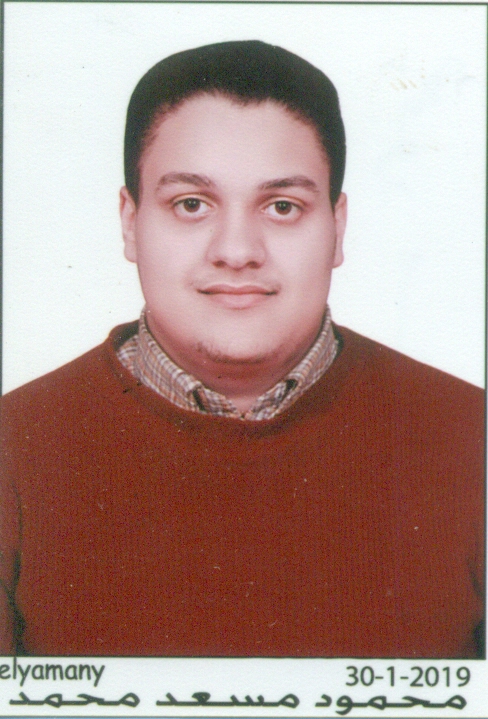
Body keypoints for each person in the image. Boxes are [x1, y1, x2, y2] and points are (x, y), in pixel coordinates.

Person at [0, 40, 484, 658]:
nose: (236, 251)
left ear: (336, 228)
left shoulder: (471, 437)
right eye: (191, 204)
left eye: (282, 206)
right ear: (130, 221)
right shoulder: (15, 448)